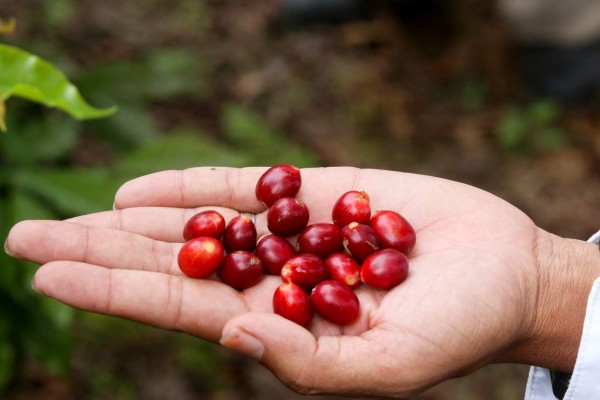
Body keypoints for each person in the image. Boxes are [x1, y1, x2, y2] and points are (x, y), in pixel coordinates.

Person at [4, 166, 600, 399]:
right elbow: (294, 248)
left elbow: (309, 254)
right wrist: (554, 289)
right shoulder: (307, 248)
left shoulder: (333, 249)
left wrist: (545, 288)